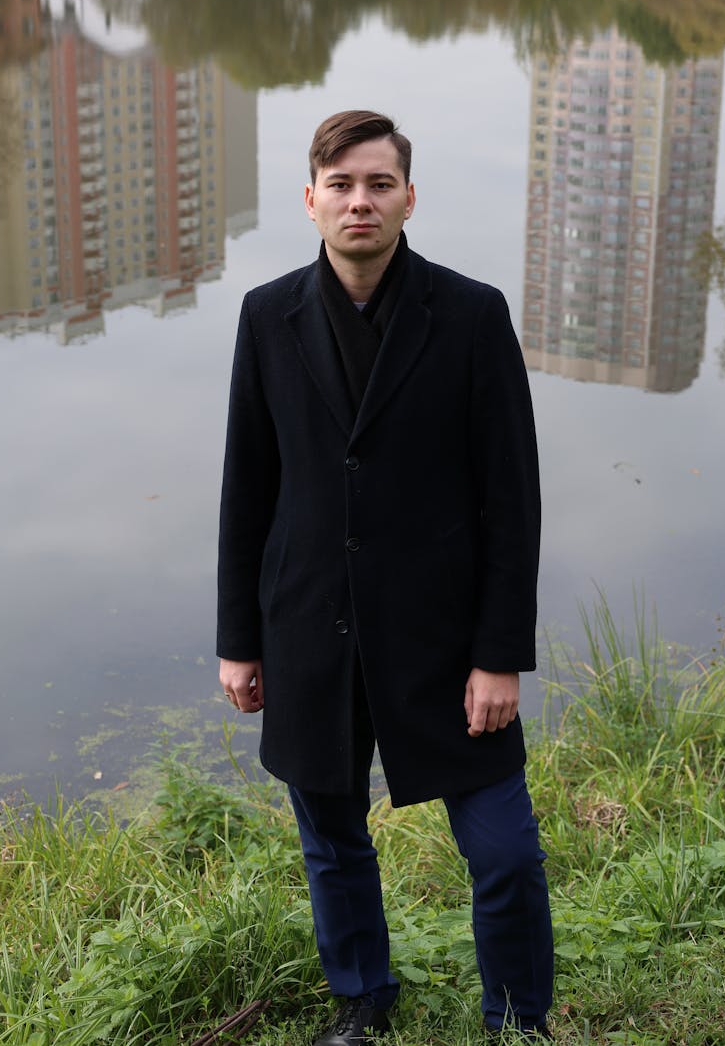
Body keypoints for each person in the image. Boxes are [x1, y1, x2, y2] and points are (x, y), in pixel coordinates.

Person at [217, 110, 554, 1044]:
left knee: (506, 852)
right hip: (308, 628)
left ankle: (519, 1019)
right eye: (340, 183)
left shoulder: (472, 313)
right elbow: (249, 486)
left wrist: (499, 655)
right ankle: (363, 997)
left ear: (409, 196)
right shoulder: (265, 314)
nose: (358, 200)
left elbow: (510, 503)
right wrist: (239, 640)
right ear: (311, 199)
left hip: (446, 641)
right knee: (332, 841)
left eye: (377, 183)